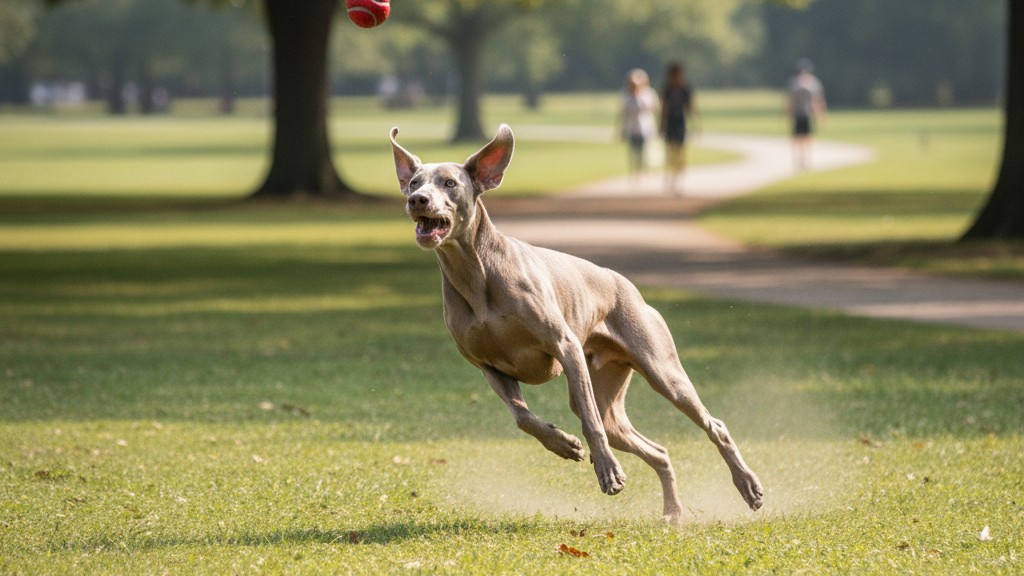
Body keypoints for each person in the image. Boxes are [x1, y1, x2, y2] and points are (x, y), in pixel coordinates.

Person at [659, 62, 697, 195]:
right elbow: (664, 109)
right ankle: (670, 179)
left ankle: (678, 181)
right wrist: (661, 126)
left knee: (680, 153)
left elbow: (691, 107)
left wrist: (695, 125)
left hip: (680, 121)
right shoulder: (667, 89)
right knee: (670, 153)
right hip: (670, 122)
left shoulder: (685, 89)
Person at [619, 68, 660, 182]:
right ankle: (634, 174)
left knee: (644, 152)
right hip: (632, 128)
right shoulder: (626, 95)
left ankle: (644, 173)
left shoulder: (648, 94)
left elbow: (655, 110)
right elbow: (623, 113)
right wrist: (621, 129)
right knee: (633, 152)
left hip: (646, 128)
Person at [785, 58, 827, 170]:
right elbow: (791, 100)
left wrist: (819, 114)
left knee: (806, 137)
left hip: (807, 114)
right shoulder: (798, 83)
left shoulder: (810, 83)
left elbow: (817, 100)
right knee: (798, 138)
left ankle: (805, 159)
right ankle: (801, 159)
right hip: (799, 114)